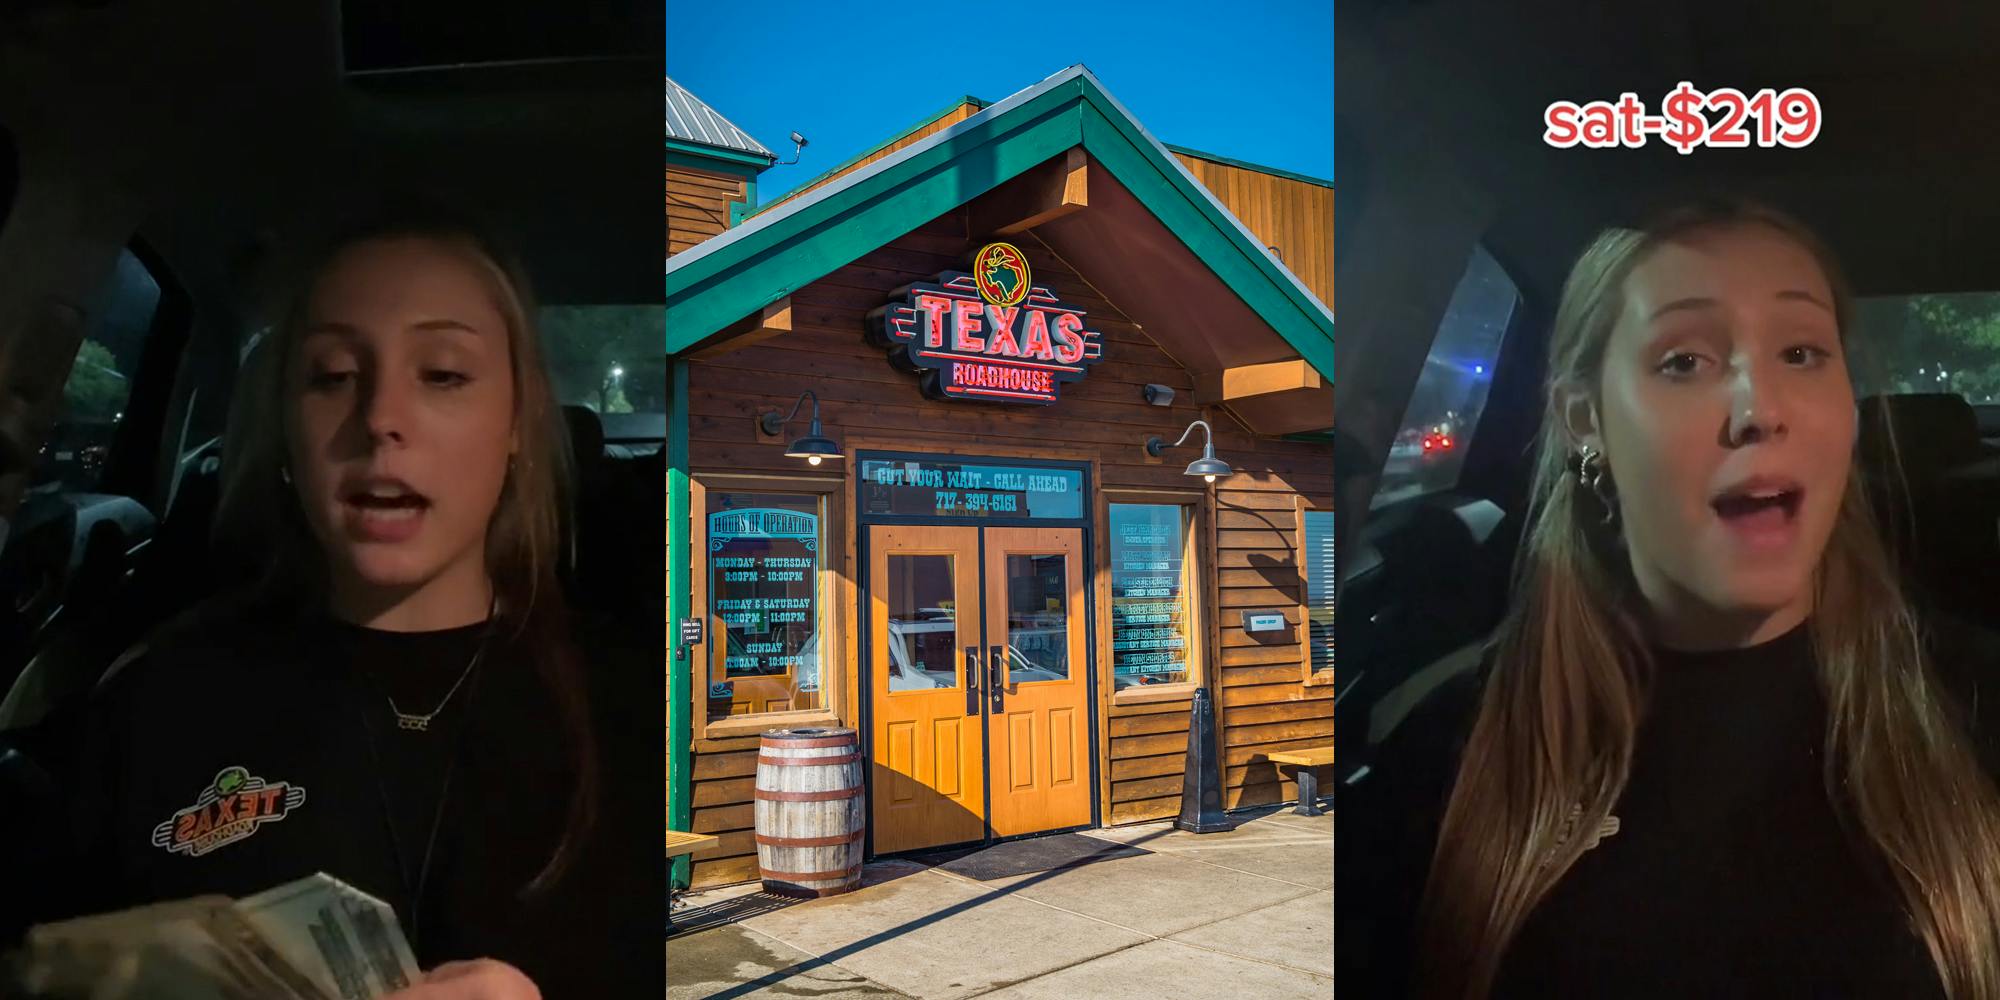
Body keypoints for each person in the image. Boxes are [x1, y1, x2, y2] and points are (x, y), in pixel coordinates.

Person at [1339, 199, 2000, 999]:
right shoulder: (1447, 755)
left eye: (1801, 351)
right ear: (1585, 419)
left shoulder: (1975, 713)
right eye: (1684, 361)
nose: (1761, 409)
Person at [0, 200, 657, 998]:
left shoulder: (634, 704)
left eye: (443, 373)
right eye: (333, 376)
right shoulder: (152, 702)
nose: (379, 419)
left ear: (518, 421)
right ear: (286, 430)